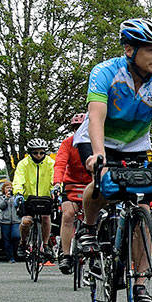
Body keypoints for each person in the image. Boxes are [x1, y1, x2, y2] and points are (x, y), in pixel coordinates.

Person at [74, 18, 152, 302]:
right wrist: (98, 156)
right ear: (129, 50)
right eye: (151, 50)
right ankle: (89, 226)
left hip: (135, 144)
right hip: (98, 140)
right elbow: (96, 116)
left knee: (143, 208)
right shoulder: (105, 72)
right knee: (102, 184)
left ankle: (140, 285)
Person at [53, 113, 91, 271]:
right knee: (68, 214)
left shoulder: (97, 142)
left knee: (97, 215)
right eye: (75, 128)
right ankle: (66, 255)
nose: (78, 131)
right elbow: (60, 163)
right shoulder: (67, 143)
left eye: (82, 128)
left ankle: (95, 253)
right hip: (71, 183)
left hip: (91, 183)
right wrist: (57, 182)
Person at [12, 138, 55, 259]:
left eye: (41, 152)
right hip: (28, 198)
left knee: (46, 218)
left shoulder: (51, 163)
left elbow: (55, 178)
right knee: (26, 221)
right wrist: (18, 193)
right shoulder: (23, 164)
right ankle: (23, 243)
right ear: (30, 153)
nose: (38, 155)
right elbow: (18, 180)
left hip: (45, 198)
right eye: (35, 153)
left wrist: (56, 189)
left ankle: (45, 245)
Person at [0, 181, 18, 262]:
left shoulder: (16, 197)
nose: (9, 189)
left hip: (16, 220)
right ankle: (10, 257)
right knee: (7, 240)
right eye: (7, 188)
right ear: (4, 189)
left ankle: (15, 253)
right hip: (5, 221)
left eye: (11, 187)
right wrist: (6, 198)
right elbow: (1, 206)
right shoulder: (1, 198)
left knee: (16, 236)